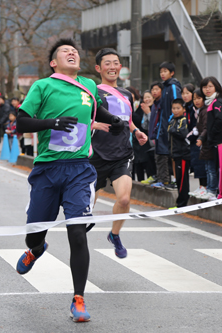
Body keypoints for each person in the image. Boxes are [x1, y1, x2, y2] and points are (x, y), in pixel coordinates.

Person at [14, 38, 124, 323]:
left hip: (79, 169)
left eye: (74, 50)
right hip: (48, 169)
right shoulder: (43, 86)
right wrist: (52, 123)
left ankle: (78, 298)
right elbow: (21, 122)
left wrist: (115, 121)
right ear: (54, 63)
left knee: (77, 232)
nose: (72, 52)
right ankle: (36, 249)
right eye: (65, 51)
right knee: (34, 232)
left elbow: (97, 111)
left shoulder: (88, 85)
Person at [90, 48, 147, 259]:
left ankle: (115, 235)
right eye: (107, 63)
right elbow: (82, 118)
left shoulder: (127, 94)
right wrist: (96, 125)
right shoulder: (92, 92)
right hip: (96, 155)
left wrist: (137, 131)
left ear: (120, 67)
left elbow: (128, 119)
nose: (112, 67)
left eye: (116, 63)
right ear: (99, 68)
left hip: (122, 154)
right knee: (87, 205)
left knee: (124, 200)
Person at [197, 77, 222, 201]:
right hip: (216, 141)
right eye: (205, 87)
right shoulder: (211, 102)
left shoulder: (217, 102)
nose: (207, 89)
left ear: (216, 87)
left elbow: (220, 120)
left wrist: (211, 134)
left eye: (210, 86)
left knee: (221, 168)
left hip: (221, 140)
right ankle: (221, 192)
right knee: (218, 168)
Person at [151, 62, 182, 188]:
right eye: (161, 71)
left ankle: (172, 181)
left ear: (172, 73)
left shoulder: (173, 87)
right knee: (160, 154)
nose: (162, 74)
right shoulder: (165, 87)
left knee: (170, 155)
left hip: (169, 127)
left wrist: (171, 123)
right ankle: (163, 180)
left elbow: (176, 105)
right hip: (162, 127)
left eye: (165, 71)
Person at [183, 85, 206, 198]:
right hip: (194, 141)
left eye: (198, 98)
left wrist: (189, 137)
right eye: (195, 99)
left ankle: (205, 187)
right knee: (197, 164)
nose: (196, 101)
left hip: (200, 141)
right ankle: (202, 186)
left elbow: (198, 127)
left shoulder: (201, 110)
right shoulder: (189, 108)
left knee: (202, 165)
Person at [127, 87, 154, 182]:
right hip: (134, 140)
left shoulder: (144, 107)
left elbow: (144, 124)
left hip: (146, 139)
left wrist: (148, 113)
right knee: (137, 163)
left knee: (147, 162)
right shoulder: (135, 107)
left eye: (149, 97)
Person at [168, 98, 191, 208]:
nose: (175, 110)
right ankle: (180, 201)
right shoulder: (172, 120)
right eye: (174, 108)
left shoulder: (184, 120)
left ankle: (182, 204)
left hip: (182, 154)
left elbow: (183, 134)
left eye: (178, 108)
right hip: (174, 154)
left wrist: (172, 130)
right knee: (178, 179)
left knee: (182, 180)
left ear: (183, 109)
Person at [136, 90, 157, 183]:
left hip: (155, 140)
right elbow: (144, 126)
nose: (147, 99)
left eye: (149, 97)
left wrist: (149, 113)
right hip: (147, 140)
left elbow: (153, 125)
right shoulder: (142, 110)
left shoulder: (156, 108)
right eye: (145, 97)